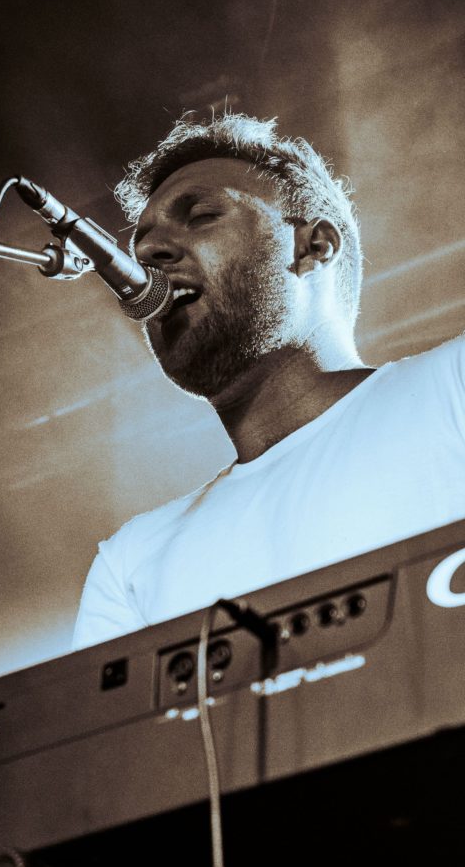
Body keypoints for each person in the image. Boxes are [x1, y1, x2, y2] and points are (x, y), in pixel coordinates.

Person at [73, 112, 465, 649]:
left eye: (201, 216)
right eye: (140, 244)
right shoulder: (131, 562)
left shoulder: (453, 387)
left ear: (314, 247)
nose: (147, 255)